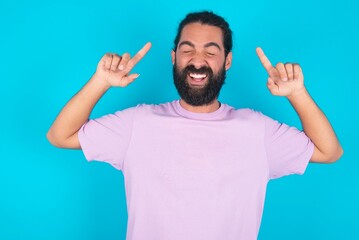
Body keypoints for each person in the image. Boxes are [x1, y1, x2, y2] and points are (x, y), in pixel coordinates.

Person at [47, 11, 343, 240]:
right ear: (174, 58)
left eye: (211, 51)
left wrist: (297, 94)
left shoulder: (256, 130)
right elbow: (60, 135)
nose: (197, 60)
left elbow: (329, 152)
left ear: (227, 61)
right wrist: (100, 82)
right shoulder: (138, 123)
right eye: (187, 50)